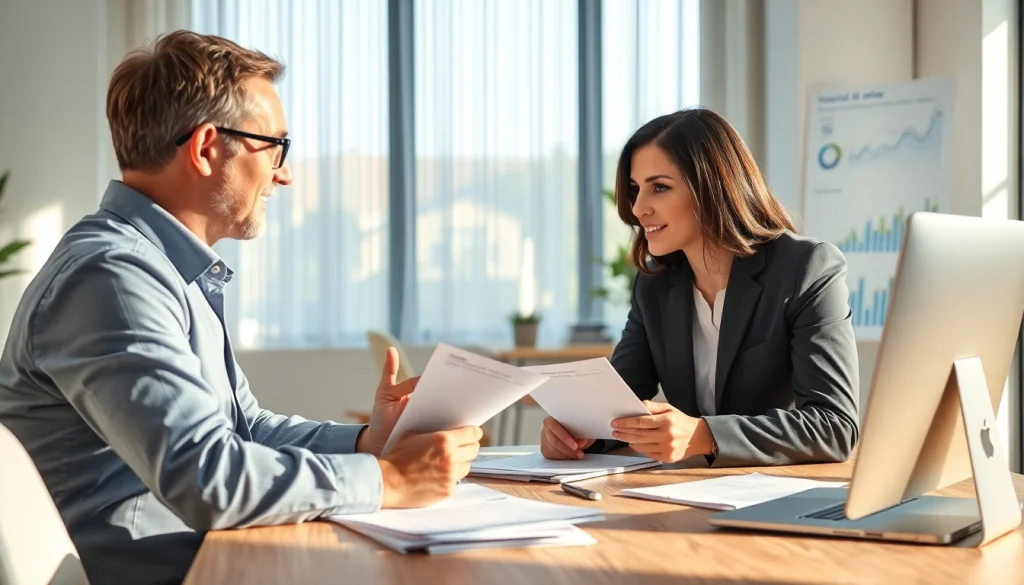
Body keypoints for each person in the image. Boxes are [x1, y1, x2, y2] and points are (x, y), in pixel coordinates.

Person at [0, 30, 480, 585]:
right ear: (207, 148)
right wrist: (388, 478)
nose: (284, 172)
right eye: (275, 145)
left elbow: (242, 428)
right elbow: (208, 480)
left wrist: (364, 442)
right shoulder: (112, 277)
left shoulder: (164, 270)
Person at [541, 108, 859, 467]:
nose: (638, 207)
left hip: (776, 494)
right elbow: (618, 406)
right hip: (686, 492)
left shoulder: (806, 268)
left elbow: (835, 427)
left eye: (659, 187)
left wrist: (703, 435)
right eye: (635, 189)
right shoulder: (654, 285)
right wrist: (577, 433)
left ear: (711, 188)